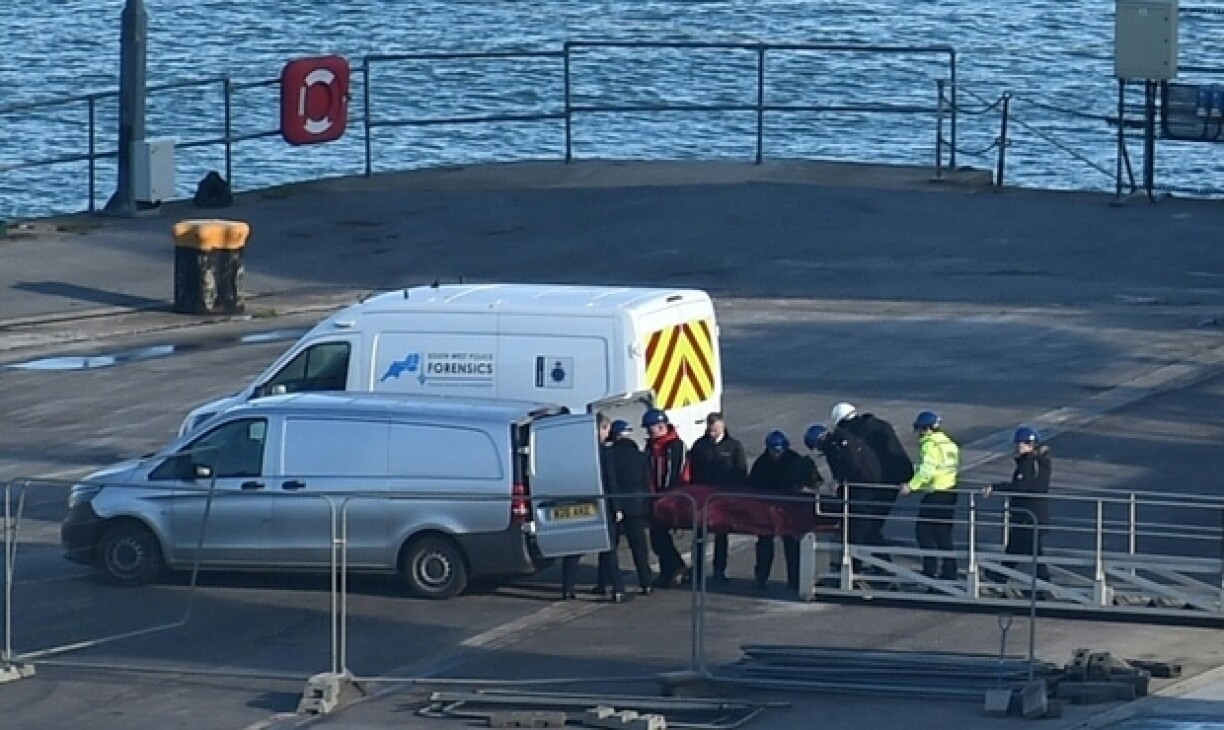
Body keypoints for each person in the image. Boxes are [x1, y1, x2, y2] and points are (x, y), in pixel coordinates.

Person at [830, 402, 914, 548]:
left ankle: (877, 564)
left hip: (871, 487)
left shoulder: (851, 435)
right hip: (892, 484)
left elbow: (853, 464)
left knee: (866, 528)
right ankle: (879, 564)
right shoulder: (881, 426)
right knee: (871, 527)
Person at [562, 414, 627, 602]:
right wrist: (617, 508)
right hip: (602, 504)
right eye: (606, 429)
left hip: (579, 504)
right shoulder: (605, 453)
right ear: (601, 429)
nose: (608, 433)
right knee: (608, 548)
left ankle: (568, 589)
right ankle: (618, 589)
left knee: (574, 548)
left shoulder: (575, 453)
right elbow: (610, 481)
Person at [806, 422, 882, 572]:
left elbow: (849, 466)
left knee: (857, 531)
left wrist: (839, 481)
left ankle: (856, 569)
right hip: (863, 489)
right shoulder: (844, 439)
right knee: (863, 531)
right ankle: (865, 567)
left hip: (859, 493)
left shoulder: (835, 446)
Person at [982, 426, 1052, 583]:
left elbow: (1020, 486)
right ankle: (1001, 576)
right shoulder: (1040, 462)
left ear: (1029, 444)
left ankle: (1043, 582)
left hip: (1028, 515)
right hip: (1033, 514)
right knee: (1019, 548)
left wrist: (996, 487)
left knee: (1027, 549)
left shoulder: (1029, 463)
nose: (1016, 447)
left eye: (1019, 444)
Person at [687, 412, 748, 582]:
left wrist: (737, 495)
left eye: (715, 429)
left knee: (721, 535)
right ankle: (698, 569)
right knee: (699, 534)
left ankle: (719, 570)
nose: (712, 432)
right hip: (702, 498)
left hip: (724, 497)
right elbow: (692, 470)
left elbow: (741, 471)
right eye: (710, 429)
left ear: (722, 426)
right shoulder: (699, 446)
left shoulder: (734, 446)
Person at [747, 430, 812, 591]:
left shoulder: (794, 460)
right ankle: (761, 577)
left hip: (789, 510)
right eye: (773, 451)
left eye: (779, 451)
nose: (776, 455)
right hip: (767, 510)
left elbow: (809, 480)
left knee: (791, 545)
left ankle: (794, 580)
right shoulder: (762, 463)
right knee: (764, 545)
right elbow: (751, 485)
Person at [901, 410, 961, 581]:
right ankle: (950, 570)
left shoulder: (930, 445)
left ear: (927, 429)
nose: (918, 433)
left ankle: (930, 570)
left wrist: (911, 486)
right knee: (943, 535)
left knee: (924, 532)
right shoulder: (949, 444)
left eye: (919, 429)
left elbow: (926, 471)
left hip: (936, 494)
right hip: (950, 491)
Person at [605, 418, 656, 595]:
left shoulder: (609, 456)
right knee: (639, 548)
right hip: (637, 507)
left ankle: (607, 583)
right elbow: (646, 482)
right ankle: (646, 582)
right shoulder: (640, 456)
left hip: (615, 506)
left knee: (610, 547)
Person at [642, 408, 690, 588]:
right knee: (658, 538)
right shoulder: (652, 446)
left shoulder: (675, 445)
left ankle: (675, 568)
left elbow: (674, 473)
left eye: (650, 428)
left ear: (661, 426)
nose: (648, 432)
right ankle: (670, 571)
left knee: (661, 537)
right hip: (655, 498)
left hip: (669, 499)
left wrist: (666, 497)